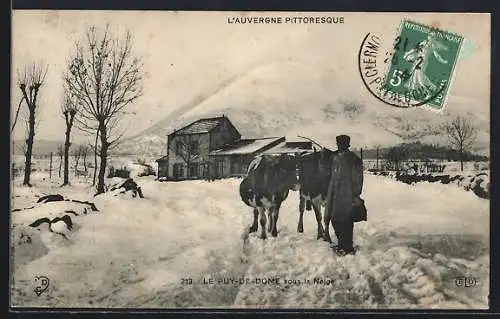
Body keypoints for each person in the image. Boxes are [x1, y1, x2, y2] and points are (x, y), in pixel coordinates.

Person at [325, 134, 364, 256]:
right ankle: (342, 245)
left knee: (346, 220)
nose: (340, 146)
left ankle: (347, 247)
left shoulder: (354, 159)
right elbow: (327, 171)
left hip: (347, 193)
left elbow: (358, 178)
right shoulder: (334, 157)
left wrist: (355, 195)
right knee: (334, 219)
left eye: (342, 145)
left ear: (347, 145)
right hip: (333, 193)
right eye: (338, 145)